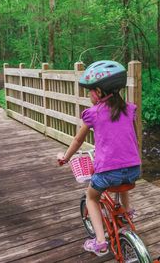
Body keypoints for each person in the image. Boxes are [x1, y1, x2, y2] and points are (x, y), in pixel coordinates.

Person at [57, 60, 141, 257]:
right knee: (123, 176)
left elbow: (78, 140)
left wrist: (65, 157)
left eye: (90, 91)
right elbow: (133, 138)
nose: (89, 95)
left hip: (108, 173)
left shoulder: (93, 114)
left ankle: (100, 242)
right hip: (134, 169)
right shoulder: (129, 109)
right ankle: (126, 213)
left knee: (92, 198)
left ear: (100, 92)